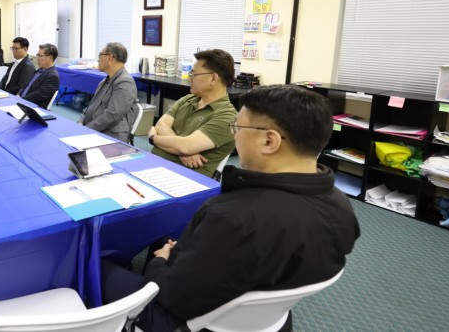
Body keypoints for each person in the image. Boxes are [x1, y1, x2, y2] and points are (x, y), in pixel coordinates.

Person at [100, 85, 360, 332]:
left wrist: (159, 262)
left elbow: (173, 295)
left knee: (95, 267)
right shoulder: (341, 207)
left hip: (181, 320)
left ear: (269, 141)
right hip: (269, 320)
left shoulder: (234, 217)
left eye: (238, 127)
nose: (234, 135)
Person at [148, 49, 238, 177]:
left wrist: (153, 138)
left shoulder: (228, 117)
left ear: (213, 78)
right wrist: (181, 150)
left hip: (184, 179)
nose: (190, 78)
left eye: (194, 74)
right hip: (155, 166)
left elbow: (186, 146)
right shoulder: (188, 99)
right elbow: (161, 125)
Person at [78, 42, 138, 142]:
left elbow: (112, 115)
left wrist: (86, 129)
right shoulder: (104, 81)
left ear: (110, 57)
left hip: (110, 135)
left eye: (100, 55)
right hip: (94, 130)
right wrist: (80, 122)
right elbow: (91, 106)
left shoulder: (125, 82)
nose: (98, 60)